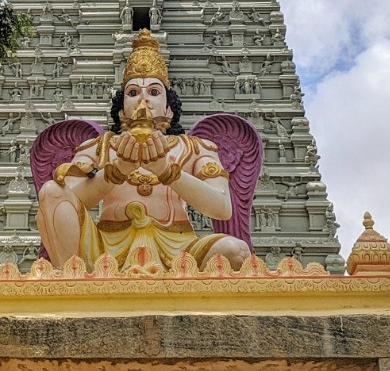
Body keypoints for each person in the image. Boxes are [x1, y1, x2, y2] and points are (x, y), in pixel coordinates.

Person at [35, 30, 250, 270]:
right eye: (133, 93)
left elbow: (222, 209)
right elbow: (68, 200)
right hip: (104, 249)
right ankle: (71, 278)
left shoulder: (195, 148)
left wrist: (167, 171)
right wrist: (116, 171)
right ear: (121, 110)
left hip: (179, 250)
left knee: (236, 251)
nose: (143, 100)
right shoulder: (99, 147)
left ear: (169, 109)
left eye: (154, 92)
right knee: (51, 191)